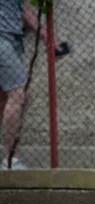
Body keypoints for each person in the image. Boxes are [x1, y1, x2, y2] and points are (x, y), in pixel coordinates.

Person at [0, 0, 62, 169]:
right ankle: (12, 159)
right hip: (2, 39)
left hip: (13, 38)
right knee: (19, 94)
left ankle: (10, 158)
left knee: (6, 99)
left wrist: (48, 38)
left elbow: (25, 9)